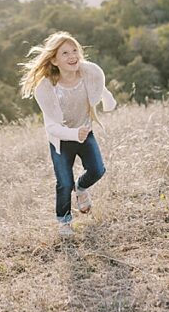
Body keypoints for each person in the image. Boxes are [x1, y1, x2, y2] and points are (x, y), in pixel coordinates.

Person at [19, 32, 116, 237]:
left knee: (98, 170)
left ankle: (81, 189)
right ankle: (64, 221)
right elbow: (51, 127)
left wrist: (108, 100)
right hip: (61, 140)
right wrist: (73, 133)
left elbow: (98, 84)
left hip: (85, 133)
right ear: (54, 60)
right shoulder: (46, 87)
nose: (72, 56)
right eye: (65, 53)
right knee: (64, 182)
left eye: (74, 51)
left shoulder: (88, 73)